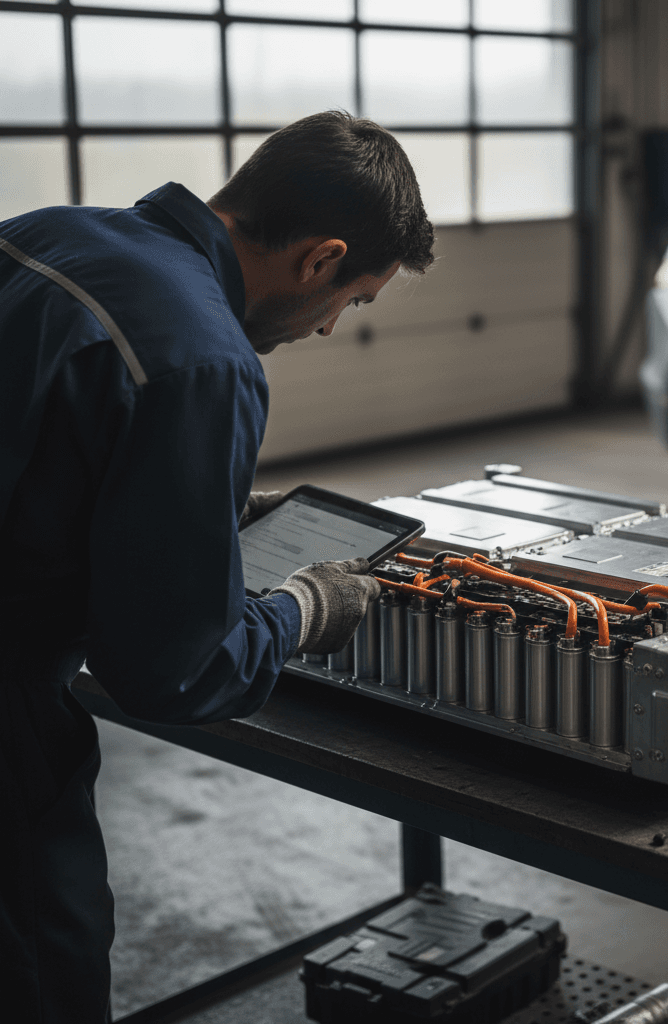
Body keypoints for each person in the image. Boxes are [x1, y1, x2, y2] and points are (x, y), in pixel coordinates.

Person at [0, 110, 434, 1023]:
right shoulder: (205, 356)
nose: (326, 328)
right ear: (321, 259)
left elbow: (46, 446)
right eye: (351, 301)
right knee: (41, 969)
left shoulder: (44, 233)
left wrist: (205, 511)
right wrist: (305, 608)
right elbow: (170, 671)